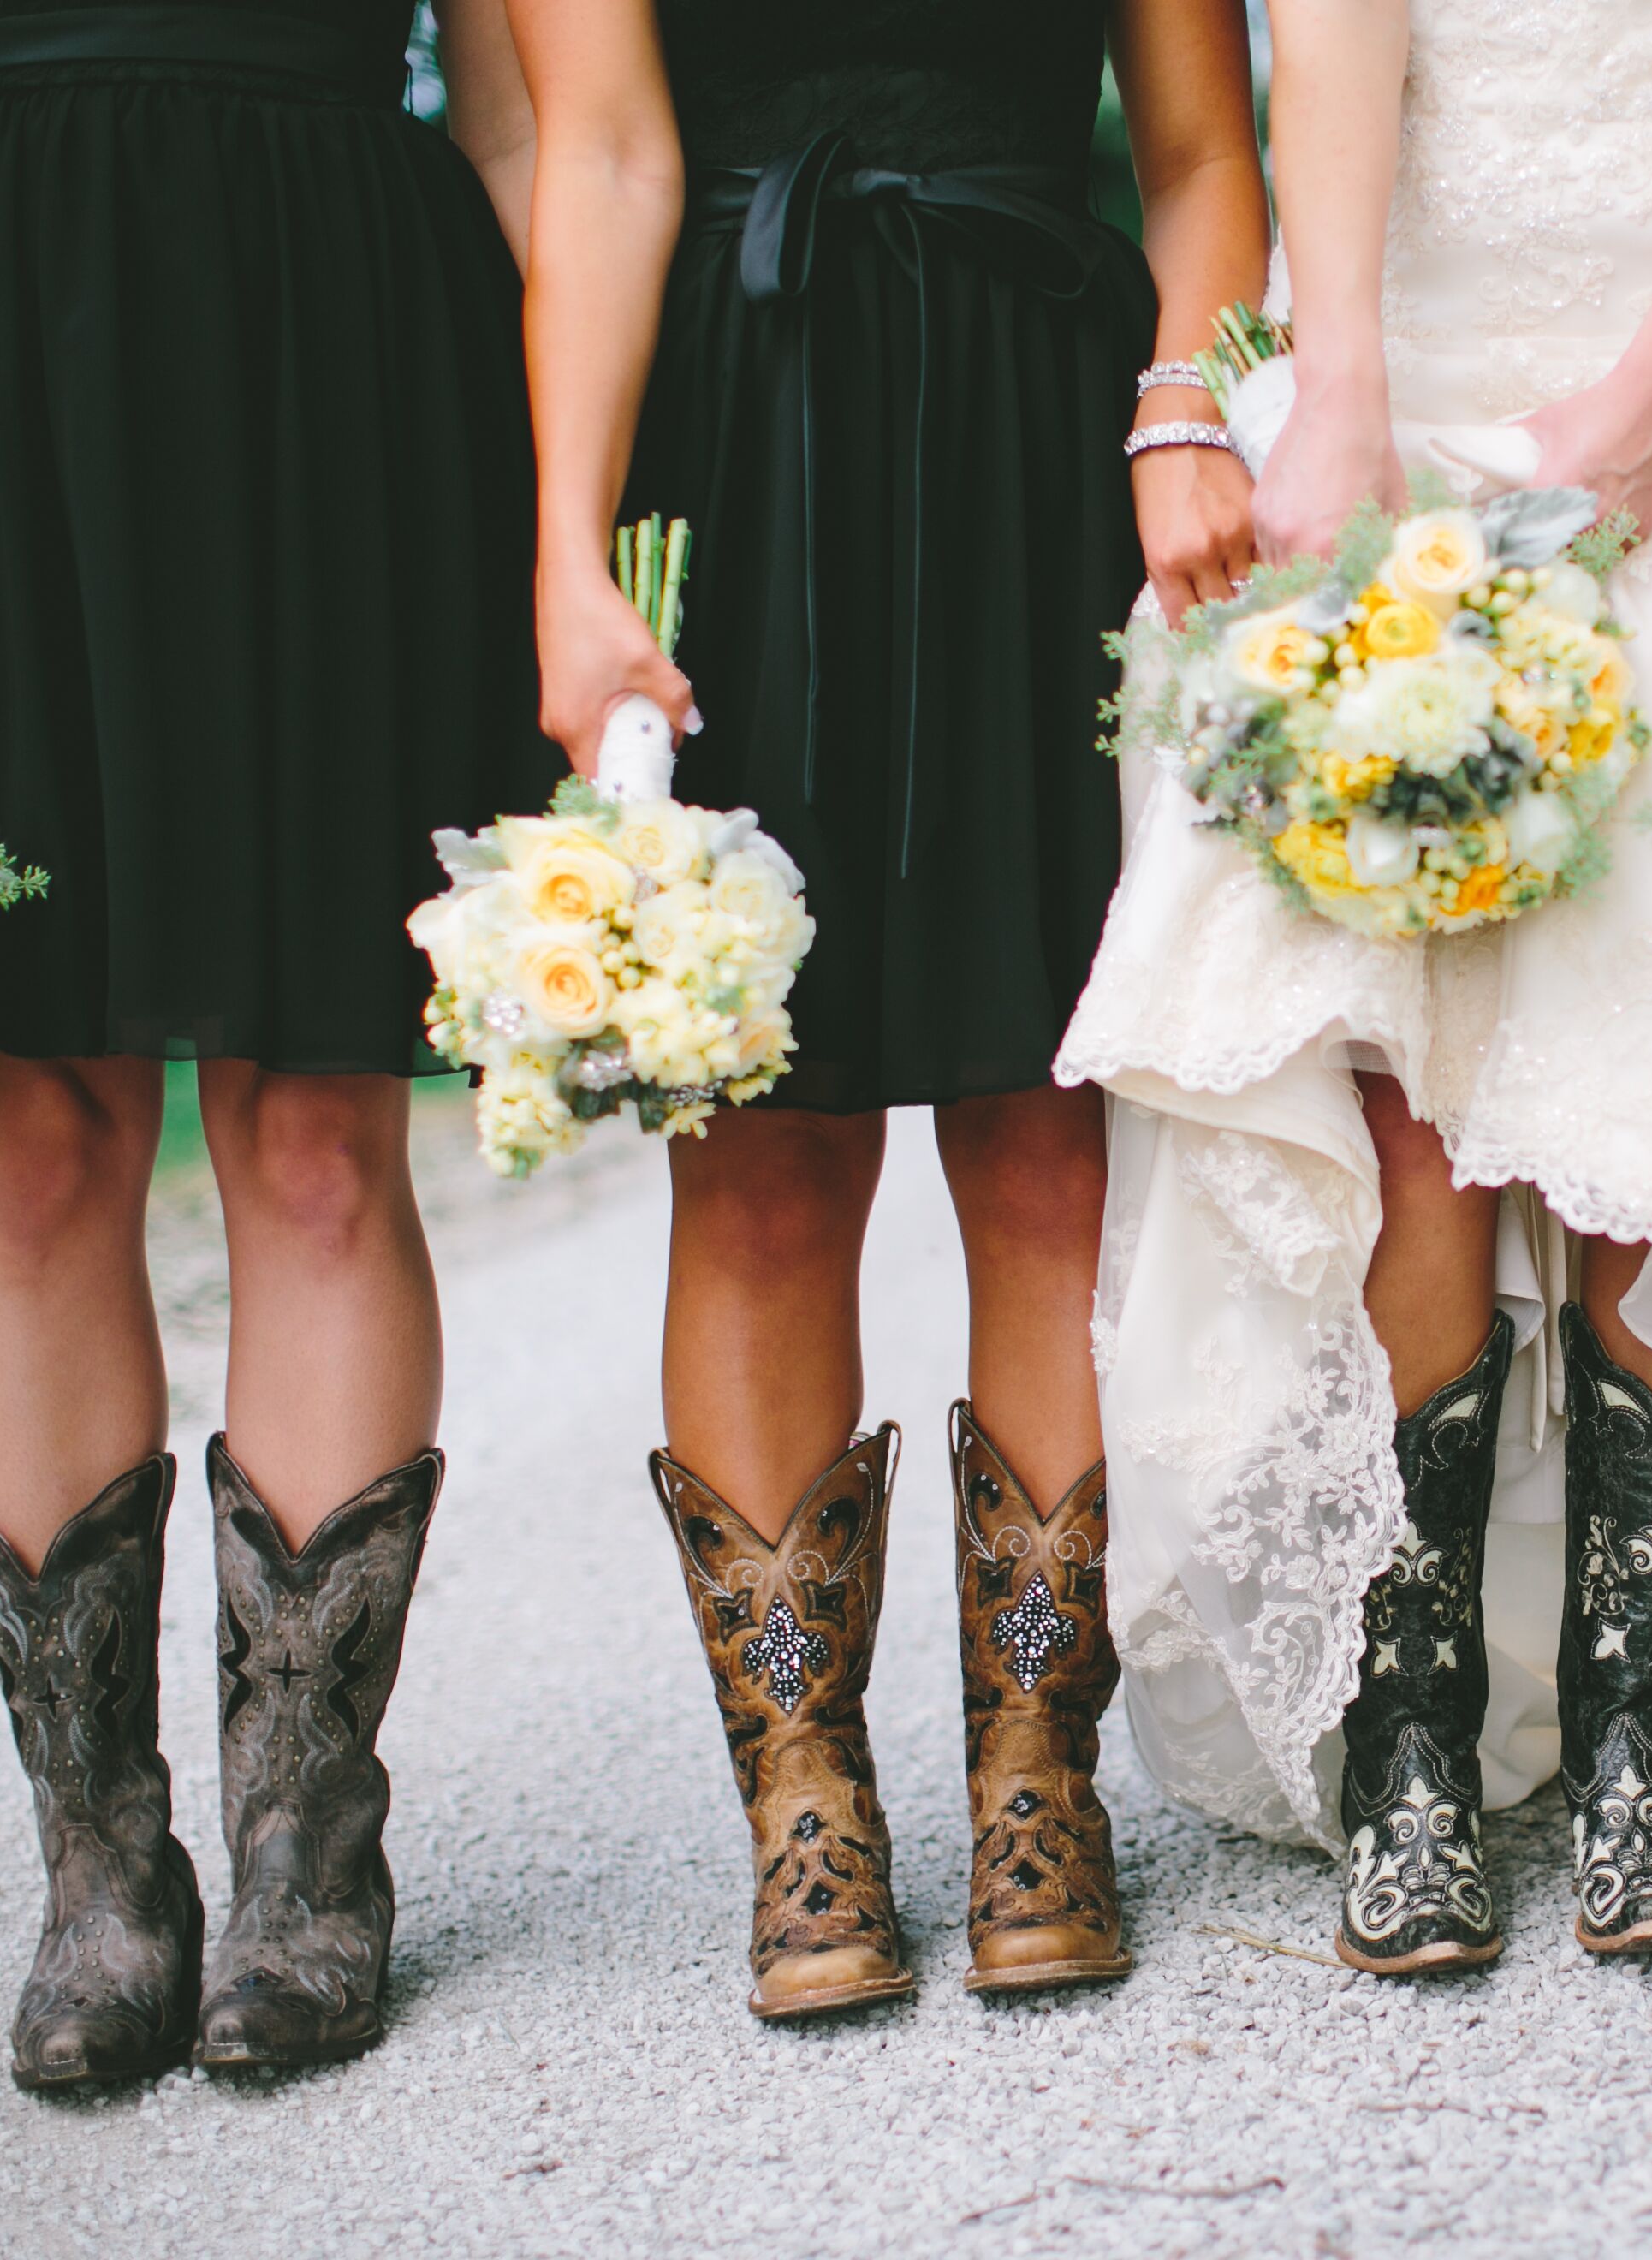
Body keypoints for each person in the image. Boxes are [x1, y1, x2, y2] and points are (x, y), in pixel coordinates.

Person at [1060, 0, 1652, 1976]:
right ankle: (1411, 1742)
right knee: (1406, 1069)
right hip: (1413, 334)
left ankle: (1637, 1720)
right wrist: (1337, 392)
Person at [0, 0, 556, 2085]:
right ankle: (101, 1869)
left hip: (349, 353)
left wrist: (569, 519)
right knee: (31, 1131)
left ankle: (308, 1851)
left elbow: (517, 118)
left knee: (317, 1127)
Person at [497, 0, 1263, 2011]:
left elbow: (1197, 151)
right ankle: (804, 1807)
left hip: (1036, 432)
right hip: (732, 444)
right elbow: (598, 152)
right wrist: (569, 549)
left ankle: (1038, 1782)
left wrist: (1188, 400)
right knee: (757, 1155)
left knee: (1043, 1139)